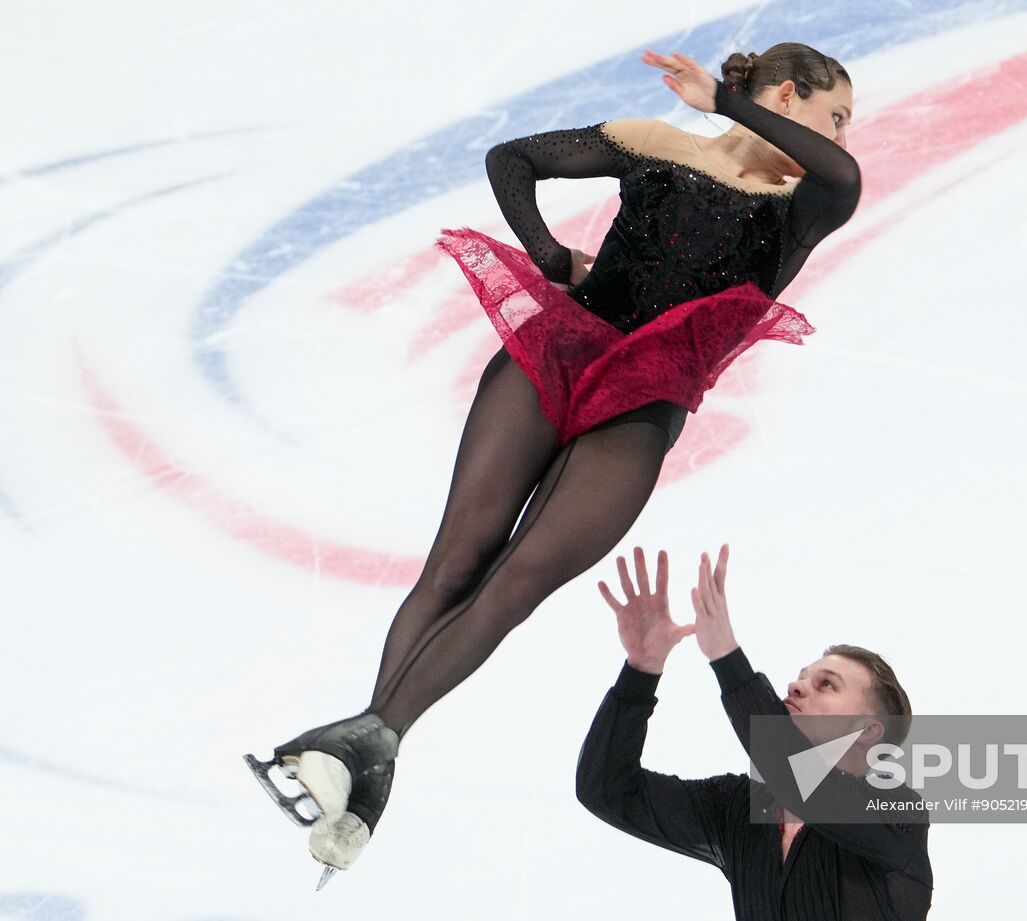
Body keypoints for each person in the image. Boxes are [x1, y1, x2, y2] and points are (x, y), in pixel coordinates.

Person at [245, 42, 862, 886]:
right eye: (834, 113)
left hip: (644, 407)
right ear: (789, 95)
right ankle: (366, 763)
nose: (840, 135)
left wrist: (722, 99)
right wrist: (544, 257)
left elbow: (843, 176)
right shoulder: (653, 141)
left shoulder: (800, 209)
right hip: (558, 353)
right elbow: (514, 160)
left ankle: (361, 749)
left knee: (516, 578)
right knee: (455, 562)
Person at [579, 546, 933, 919]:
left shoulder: (896, 811)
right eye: (801, 677)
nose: (796, 687)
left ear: (867, 731)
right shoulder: (741, 809)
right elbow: (607, 790)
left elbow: (793, 773)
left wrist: (726, 656)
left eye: (827, 685)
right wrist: (641, 670)